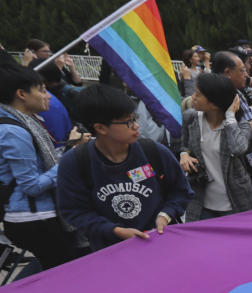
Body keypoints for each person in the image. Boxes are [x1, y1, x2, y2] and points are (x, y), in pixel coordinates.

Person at [58, 85, 192, 250]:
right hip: (110, 251)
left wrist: (165, 215)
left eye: (134, 118)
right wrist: (115, 231)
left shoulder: (153, 151)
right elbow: (74, 211)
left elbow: (181, 190)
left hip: (161, 243)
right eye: (128, 122)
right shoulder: (75, 162)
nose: (136, 126)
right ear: (100, 128)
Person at [0, 63, 82, 270]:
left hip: (36, 216)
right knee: (64, 272)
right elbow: (32, 186)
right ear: (21, 94)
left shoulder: (22, 122)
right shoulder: (13, 131)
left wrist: (70, 147)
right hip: (33, 218)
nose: (48, 97)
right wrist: (69, 157)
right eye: (42, 90)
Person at [179, 73, 252, 221]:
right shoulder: (191, 117)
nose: (193, 98)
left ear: (214, 103)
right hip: (201, 201)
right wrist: (184, 155)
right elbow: (184, 144)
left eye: (198, 94)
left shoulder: (239, 125)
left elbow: (238, 148)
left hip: (236, 201)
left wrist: (230, 116)